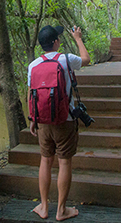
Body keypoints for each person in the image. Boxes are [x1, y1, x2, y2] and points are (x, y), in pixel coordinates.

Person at [27, 24, 90, 221]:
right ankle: (61, 210)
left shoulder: (33, 65)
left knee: (45, 160)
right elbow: (86, 59)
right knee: (64, 162)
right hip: (65, 120)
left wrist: (32, 118)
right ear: (55, 42)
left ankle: (44, 207)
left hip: (43, 122)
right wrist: (78, 38)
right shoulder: (66, 59)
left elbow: (31, 93)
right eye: (59, 38)